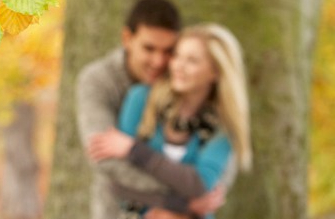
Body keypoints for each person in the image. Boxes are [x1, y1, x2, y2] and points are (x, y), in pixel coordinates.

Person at [77, 0, 225, 219]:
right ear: (127, 38)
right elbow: (105, 158)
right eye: (149, 49)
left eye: (168, 51)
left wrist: (208, 189)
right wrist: (182, 200)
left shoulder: (180, 77)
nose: (159, 61)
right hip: (119, 209)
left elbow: (216, 159)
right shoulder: (98, 80)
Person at [93, 24, 252, 218]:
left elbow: (199, 185)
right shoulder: (141, 99)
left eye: (192, 61)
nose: (178, 66)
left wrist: (134, 150)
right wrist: (181, 204)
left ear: (215, 72)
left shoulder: (223, 127)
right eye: (177, 56)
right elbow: (119, 181)